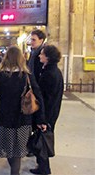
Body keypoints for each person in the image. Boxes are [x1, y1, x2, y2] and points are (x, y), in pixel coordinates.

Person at [0, 46, 47, 175]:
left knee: (8, 149)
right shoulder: (27, 76)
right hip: (24, 119)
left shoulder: (0, 76)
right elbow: (38, 98)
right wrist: (40, 119)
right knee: (18, 150)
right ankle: (15, 172)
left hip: (4, 119)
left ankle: (14, 172)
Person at [30, 45, 64, 175]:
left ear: (48, 57)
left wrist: (42, 119)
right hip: (52, 112)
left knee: (43, 140)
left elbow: (44, 98)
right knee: (43, 138)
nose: (39, 56)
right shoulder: (53, 71)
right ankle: (42, 165)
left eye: (42, 54)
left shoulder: (49, 74)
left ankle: (44, 168)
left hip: (47, 114)